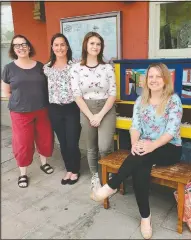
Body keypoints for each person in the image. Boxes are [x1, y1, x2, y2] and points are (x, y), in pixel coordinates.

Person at [94, 63, 183, 239]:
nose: (154, 80)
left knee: (141, 157)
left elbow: (171, 131)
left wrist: (151, 145)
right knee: (140, 166)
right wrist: (135, 144)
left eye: (158, 76)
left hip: (169, 148)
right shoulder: (140, 100)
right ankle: (145, 217)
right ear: (146, 80)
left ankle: (112, 185)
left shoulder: (173, 100)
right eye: (151, 76)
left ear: (165, 79)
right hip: (145, 147)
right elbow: (135, 126)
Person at [1, 35, 54, 188]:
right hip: (20, 112)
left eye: (24, 44)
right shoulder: (9, 68)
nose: (21, 47)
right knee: (23, 143)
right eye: (16, 45)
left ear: (29, 47)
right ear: (13, 49)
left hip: (42, 110)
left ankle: (44, 163)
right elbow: (6, 92)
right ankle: (23, 173)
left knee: (45, 138)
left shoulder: (40, 66)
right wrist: (21, 102)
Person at [70, 32, 117, 192]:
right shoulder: (76, 69)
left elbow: (112, 93)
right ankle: (95, 176)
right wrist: (91, 116)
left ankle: (107, 175)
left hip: (106, 108)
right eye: (92, 43)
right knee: (91, 147)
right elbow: (77, 95)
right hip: (86, 109)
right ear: (85, 45)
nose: (95, 46)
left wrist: (100, 115)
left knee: (104, 147)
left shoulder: (108, 68)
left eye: (98, 44)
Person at [43, 33, 81, 185]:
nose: (59, 48)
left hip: (72, 108)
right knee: (63, 142)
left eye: (62, 44)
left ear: (67, 47)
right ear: (52, 48)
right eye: (56, 45)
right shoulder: (46, 68)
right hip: (54, 109)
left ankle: (76, 169)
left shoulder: (75, 66)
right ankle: (69, 170)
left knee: (72, 142)